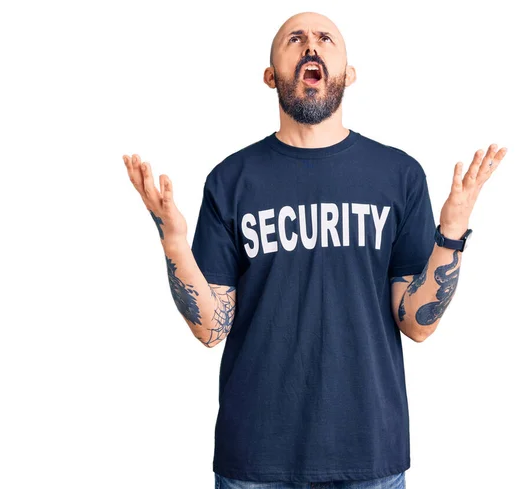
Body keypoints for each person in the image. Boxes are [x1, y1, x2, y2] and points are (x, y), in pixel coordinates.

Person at [123, 10, 507, 489]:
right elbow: (210, 328)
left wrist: (450, 234)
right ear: (271, 76)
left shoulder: (399, 176)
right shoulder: (230, 181)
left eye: (326, 38)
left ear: (348, 73)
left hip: (369, 454)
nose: (311, 45)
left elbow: (416, 324)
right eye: (295, 39)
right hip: (255, 458)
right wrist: (174, 242)